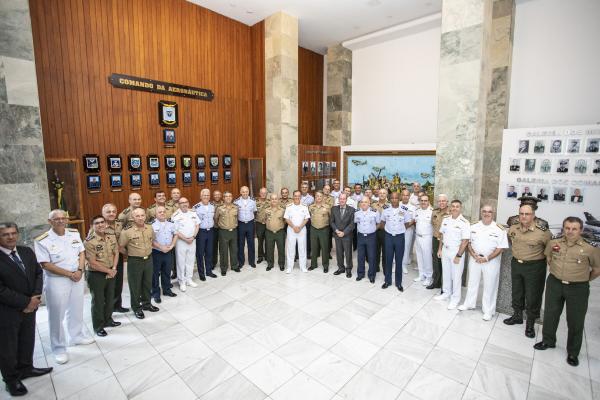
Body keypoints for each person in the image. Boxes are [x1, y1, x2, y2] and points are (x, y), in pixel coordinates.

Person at [534, 217, 600, 366]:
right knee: (551, 314)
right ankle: (548, 341)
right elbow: (549, 258)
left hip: (578, 288)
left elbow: (597, 270)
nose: (570, 231)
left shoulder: (591, 247)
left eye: (574, 229)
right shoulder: (554, 241)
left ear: (581, 230)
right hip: (555, 283)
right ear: (563, 228)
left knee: (575, 320)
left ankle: (573, 352)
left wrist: (583, 279)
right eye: (567, 228)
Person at [34, 210, 94, 364]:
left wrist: (80, 270)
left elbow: (81, 252)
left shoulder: (73, 233)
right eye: (57, 219)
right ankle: (58, 347)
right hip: (57, 280)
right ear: (50, 221)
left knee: (76, 307)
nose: (61, 221)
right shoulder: (42, 240)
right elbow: (45, 264)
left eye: (63, 218)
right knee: (57, 315)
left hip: (77, 277)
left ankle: (76, 336)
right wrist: (69, 274)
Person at [0, 222, 51, 396]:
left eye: (13, 233)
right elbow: (1, 290)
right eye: (5, 234)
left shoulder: (26, 251)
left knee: (27, 339)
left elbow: (38, 273)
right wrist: (25, 302)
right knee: (7, 347)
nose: (10, 237)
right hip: (7, 311)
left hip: (31, 306)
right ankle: (11, 380)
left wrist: (36, 297)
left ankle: (26, 368)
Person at [504, 204, 552, 338]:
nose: (524, 216)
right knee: (517, 291)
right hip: (517, 264)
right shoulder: (513, 228)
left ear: (533, 216)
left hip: (535, 267)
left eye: (527, 214)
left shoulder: (543, 232)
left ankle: (530, 323)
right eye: (521, 213)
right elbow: (509, 239)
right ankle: (517, 315)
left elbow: (551, 249)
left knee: (533, 296)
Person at [458, 205, 509, 320]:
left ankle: (488, 310)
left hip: (491, 261)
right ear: (481, 212)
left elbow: (501, 248)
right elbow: (468, 242)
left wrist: (487, 258)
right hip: (475, 259)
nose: (487, 214)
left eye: (489, 212)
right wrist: (473, 254)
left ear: (493, 213)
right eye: (484, 211)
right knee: (472, 282)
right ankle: (469, 304)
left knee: (490, 286)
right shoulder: (473, 226)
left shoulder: (499, 229)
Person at [119, 208, 159, 320]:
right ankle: (136, 308)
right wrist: (131, 253)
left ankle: (147, 304)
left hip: (149, 259)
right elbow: (120, 247)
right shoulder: (126, 231)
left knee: (147, 283)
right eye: (138, 216)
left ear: (145, 216)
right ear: (133, 217)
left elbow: (152, 241)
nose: (140, 218)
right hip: (135, 261)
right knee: (135, 286)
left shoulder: (150, 228)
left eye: (142, 215)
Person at [84, 215, 120, 336]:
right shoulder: (89, 241)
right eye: (97, 223)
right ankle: (98, 326)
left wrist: (114, 268)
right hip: (96, 275)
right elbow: (92, 263)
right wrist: (108, 271)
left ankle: (108, 320)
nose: (100, 225)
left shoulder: (111, 236)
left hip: (111, 271)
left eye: (102, 222)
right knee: (98, 301)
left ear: (105, 223)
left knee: (110, 298)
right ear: (92, 226)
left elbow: (116, 253)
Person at [435, 200, 470, 309]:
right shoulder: (446, 219)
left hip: (456, 252)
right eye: (453, 206)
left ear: (461, 208)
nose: (455, 208)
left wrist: (458, 255)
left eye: (457, 206)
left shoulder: (464, 222)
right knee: (446, 273)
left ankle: (455, 299)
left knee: (456, 276)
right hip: (445, 250)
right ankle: (446, 293)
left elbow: (465, 241)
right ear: (450, 207)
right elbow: (442, 235)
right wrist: (440, 249)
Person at [380, 192, 411, 291]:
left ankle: (399, 283)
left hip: (399, 238)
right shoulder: (385, 210)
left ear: (399, 199)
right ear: (390, 199)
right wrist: (389, 231)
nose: (394, 200)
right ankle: (387, 281)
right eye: (392, 198)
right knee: (388, 260)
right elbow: (382, 223)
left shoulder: (404, 210)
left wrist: (399, 230)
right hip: (388, 237)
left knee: (399, 261)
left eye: (396, 198)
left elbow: (407, 223)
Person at [101, 203, 129, 313]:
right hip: (105, 259)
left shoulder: (119, 224)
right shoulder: (99, 225)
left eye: (113, 211)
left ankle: (117, 305)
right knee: (107, 285)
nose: (111, 214)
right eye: (108, 212)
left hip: (119, 257)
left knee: (118, 282)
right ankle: (107, 308)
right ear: (103, 213)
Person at [172, 197, 200, 291]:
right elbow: (175, 230)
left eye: (186, 202)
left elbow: (197, 225)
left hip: (192, 240)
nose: (184, 204)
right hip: (181, 242)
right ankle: (182, 281)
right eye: (182, 203)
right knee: (181, 262)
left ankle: (189, 279)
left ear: (188, 203)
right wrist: (185, 239)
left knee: (191, 260)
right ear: (178, 204)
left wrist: (193, 237)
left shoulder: (193, 213)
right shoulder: (175, 215)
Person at [151, 206, 178, 303]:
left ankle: (166, 290)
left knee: (167, 272)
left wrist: (172, 245)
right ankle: (156, 293)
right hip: (157, 252)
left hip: (168, 251)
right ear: (156, 214)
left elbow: (175, 234)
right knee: (155, 274)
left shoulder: (171, 224)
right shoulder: (151, 225)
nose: (162, 213)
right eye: (160, 212)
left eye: (163, 211)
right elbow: (151, 240)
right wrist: (160, 247)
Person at [193, 189, 218, 280]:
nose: (206, 197)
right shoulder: (196, 207)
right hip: (201, 232)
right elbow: (194, 222)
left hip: (210, 231)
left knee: (209, 252)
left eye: (208, 195)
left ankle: (208, 271)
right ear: (201, 196)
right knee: (200, 253)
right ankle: (201, 273)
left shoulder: (212, 206)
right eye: (204, 195)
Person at [354, 196, 380, 283]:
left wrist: (373, 230)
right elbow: (356, 222)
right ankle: (360, 274)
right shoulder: (357, 212)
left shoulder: (375, 212)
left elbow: (379, 223)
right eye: (362, 202)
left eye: (365, 202)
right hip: (360, 236)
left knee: (372, 256)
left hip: (371, 236)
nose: (363, 203)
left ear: (369, 203)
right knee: (360, 256)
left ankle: (372, 275)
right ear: (360, 203)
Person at [284, 190, 310, 273]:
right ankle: (289, 267)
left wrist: (300, 227)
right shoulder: (289, 206)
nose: (297, 197)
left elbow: (306, 218)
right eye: (295, 195)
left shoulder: (304, 206)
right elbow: (286, 218)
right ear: (293, 196)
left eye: (298, 196)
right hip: (291, 230)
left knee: (302, 248)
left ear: (301, 197)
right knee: (290, 248)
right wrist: (293, 227)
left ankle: (303, 266)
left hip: (302, 230)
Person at [428, 194, 450, 291]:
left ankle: (444, 286)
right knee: (436, 262)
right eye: (440, 201)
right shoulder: (435, 212)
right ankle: (436, 282)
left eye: (443, 201)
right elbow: (433, 224)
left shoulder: (451, 213)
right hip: (436, 239)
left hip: (446, 241)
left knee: (445, 263)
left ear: (447, 202)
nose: (441, 203)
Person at [331, 193, 355, 278]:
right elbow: (332, 222)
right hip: (337, 235)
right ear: (338, 199)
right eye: (340, 198)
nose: (342, 200)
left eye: (343, 199)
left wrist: (344, 232)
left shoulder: (352, 210)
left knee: (348, 253)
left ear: (346, 200)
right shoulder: (334, 209)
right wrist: (337, 231)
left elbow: (352, 224)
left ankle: (348, 269)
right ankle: (341, 268)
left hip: (347, 235)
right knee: (339, 253)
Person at [215, 191, 239, 275]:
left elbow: (237, 218)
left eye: (230, 196)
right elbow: (216, 219)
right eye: (226, 196)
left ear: (232, 197)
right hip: (223, 232)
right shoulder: (219, 208)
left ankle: (235, 266)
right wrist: (221, 227)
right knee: (223, 251)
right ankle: (224, 268)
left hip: (234, 231)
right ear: (223, 198)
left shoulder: (236, 207)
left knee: (234, 249)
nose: (228, 198)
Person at [234, 186, 257, 269]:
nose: (245, 193)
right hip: (241, 224)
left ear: (248, 192)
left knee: (251, 243)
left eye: (246, 191)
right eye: (243, 191)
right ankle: (241, 262)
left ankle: (252, 261)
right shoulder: (236, 202)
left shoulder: (253, 201)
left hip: (250, 224)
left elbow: (255, 211)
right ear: (240, 192)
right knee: (240, 244)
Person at [413, 194, 433, 286]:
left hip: (427, 237)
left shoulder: (432, 212)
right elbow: (414, 222)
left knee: (427, 258)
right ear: (419, 201)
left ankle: (429, 277)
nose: (423, 202)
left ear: (428, 201)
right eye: (422, 200)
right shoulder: (417, 211)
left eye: (425, 200)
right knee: (419, 257)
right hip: (418, 236)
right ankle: (421, 275)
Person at [308, 192, 331, 272]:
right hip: (313, 229)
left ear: (323, 197)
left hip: (324, 229)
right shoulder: (311, 207)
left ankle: (325, 265)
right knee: (313, 248)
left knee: (325, 248)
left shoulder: (327, 207)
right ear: (315, 197)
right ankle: (313, 264)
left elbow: (331, 218)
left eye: (320, 196)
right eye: (317, 196)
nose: (318, 197)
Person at [264, 194, 286, 271]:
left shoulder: (282, 210)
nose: (274, 200)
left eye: (275, 199)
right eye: (272, 199)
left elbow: (285, 220)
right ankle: (270, 264)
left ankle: (281, 264)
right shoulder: (266, 210)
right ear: (270, 200)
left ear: (278, 200)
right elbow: (264, 219)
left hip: (280, 232)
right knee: (269, 249)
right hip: (269, 232)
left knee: (281, 249)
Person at [372, 189, 389, 272]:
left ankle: (385, 269)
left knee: (386, 251)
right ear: (378, 194)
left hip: (386, 231)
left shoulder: (390, 205)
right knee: (375, 250)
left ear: (387, 194)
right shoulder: (373, 205)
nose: (382, 194)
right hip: (375, 230)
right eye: (380, 193)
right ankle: (376, 267)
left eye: (384, 193)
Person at [400, 189, 416, 274]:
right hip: (397, 230)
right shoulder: (397, 205)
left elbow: (413, 219)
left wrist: (406, 226)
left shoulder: (413, 207)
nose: (405, 197)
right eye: (403, 195)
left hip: (408, 230)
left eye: (407, 195)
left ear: (409, 196)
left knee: (406, 247)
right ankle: (396, 265)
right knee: (396, 247)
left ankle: (404, 265)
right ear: (401, 196)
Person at [255, 187, 269, 264]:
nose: (263, 194)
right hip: (259, 224)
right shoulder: (255, 202)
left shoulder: (270, 202)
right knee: (260, 241)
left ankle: (267, 255)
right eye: (262, 193)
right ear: (259, 193)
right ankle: (260, 256)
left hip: (267, 224)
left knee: (267, 240)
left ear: (267, 194)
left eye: (265, 193)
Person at [210, 190, 223, 270]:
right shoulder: (210, 204)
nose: (217, 196)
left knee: (222, 247)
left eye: (218, 194)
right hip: (214, 228)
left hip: (222, 228)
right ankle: (213, 263)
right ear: (213, 196)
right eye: (215, 195)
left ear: (221, 195)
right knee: (213, 247)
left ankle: (223, 262)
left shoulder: (224, 203)